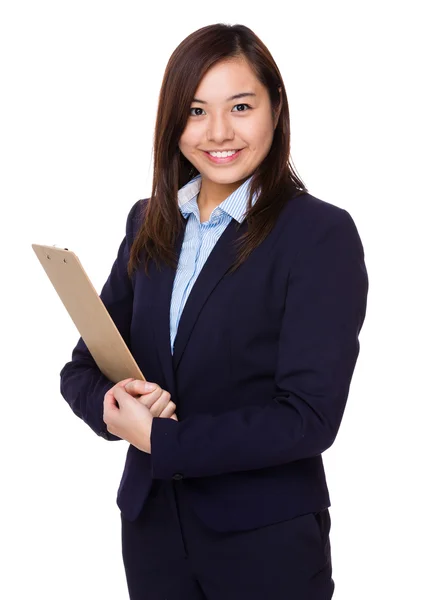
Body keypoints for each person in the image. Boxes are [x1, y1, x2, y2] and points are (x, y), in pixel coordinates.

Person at [60, 22, 369, 600]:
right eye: (196, 110)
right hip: (152, 534)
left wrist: (161, 438)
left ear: (276, 110)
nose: (218, 132)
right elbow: (82, 368)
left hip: (264, 544)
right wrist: (114, 402)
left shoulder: (318, 234)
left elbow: (308, 417)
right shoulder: (148, 221)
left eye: (241, 106)